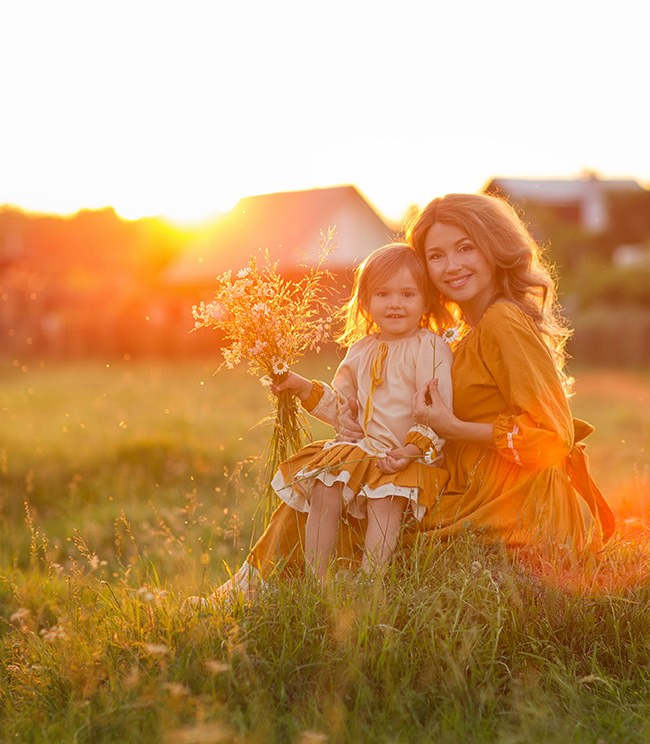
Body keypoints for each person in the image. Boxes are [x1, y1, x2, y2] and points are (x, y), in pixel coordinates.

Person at [202, 193, 615, 601]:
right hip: (467, 480)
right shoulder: (461, 332)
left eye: (465, 248)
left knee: (345, 497)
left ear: (494, 247)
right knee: (328, 478)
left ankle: (247, 593)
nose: (451, 265)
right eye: (436, 255)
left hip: (508, 500)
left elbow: (551, 437)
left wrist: (452, 428)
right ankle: (259, 591)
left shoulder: (502, 320)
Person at [269, 242, 455, 578]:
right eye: (383, 294)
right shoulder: (360, 350)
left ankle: (370, 582)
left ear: (425, 300)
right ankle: (317, 581)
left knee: (385, 500)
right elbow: (343, 409)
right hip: (366, 451)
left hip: (411, 454)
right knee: (325, 488)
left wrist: (410, 450)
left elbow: (436, 411)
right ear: (366, 301)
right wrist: (301, 387)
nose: (395, 303)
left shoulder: (429, 347)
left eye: (407, 294)